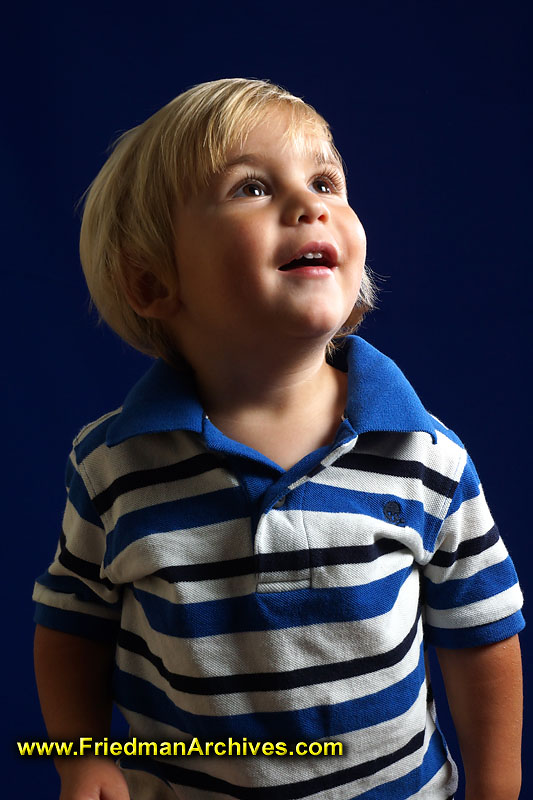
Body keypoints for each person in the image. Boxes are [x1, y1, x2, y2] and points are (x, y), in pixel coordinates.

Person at [33, 78, 524, 800]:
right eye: (253, 188)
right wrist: (80, 756)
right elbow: (71, 627)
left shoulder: (425, 459)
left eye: (325, 179)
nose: (310, 203)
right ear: (151, 282)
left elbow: (482, 635)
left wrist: (494, 787)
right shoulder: (112, 465)